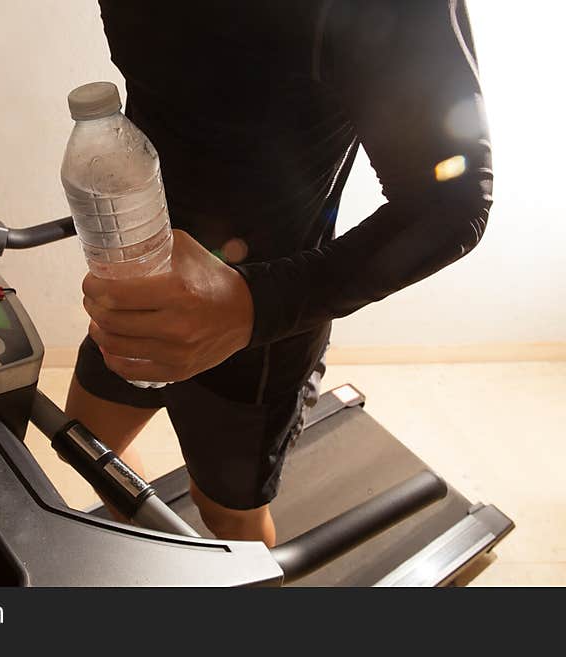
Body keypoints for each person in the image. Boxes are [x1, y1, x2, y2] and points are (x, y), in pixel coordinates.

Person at [66, 0, 493, 547]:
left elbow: (454, 202)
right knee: (86, 443)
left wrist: (249, 309)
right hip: (148, 280)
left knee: (226, 516)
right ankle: (159, 558)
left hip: (259, 329)